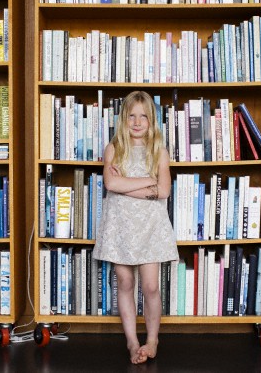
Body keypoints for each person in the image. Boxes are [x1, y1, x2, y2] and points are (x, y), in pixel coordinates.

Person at [93, 90, 178, 364]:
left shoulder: (159, 151)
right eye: (132, 116)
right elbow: (111, 185)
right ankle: (132, 342)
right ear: (123, 119)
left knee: (151, 286)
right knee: (125, 282)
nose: (137, 122)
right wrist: (146, 181)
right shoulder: (114, 148)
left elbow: (163, 189)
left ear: (152, 121)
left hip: (150, 225)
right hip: (121, 225)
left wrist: (128, 182)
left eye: (143, 116)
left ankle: (152, 340)